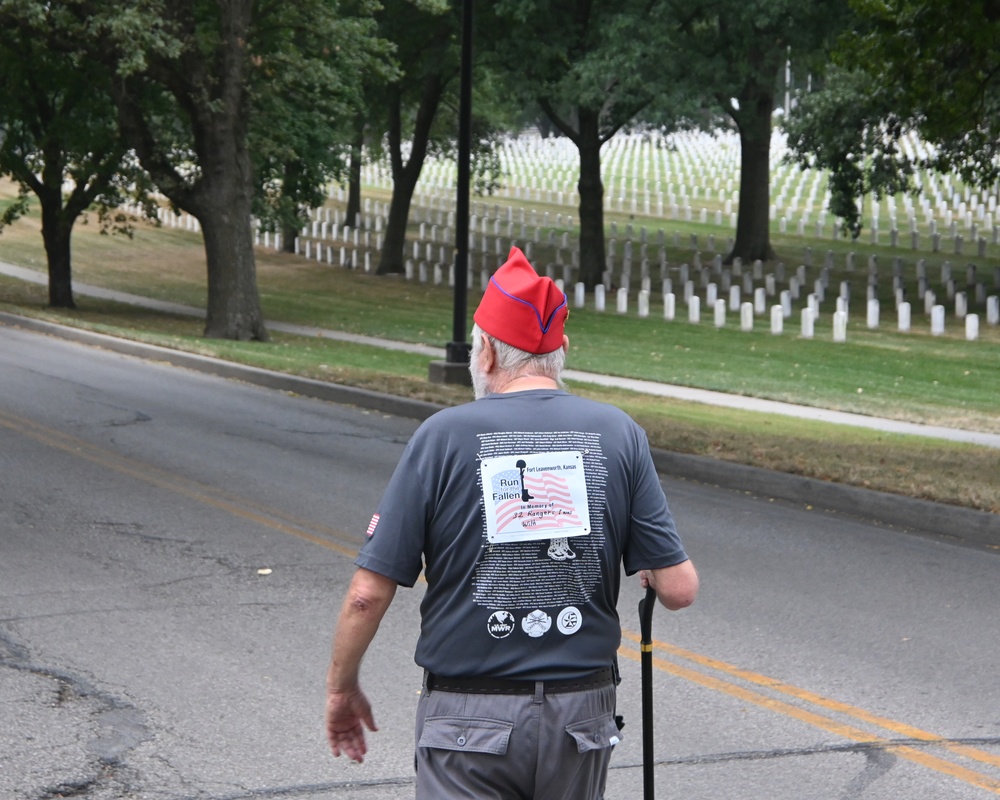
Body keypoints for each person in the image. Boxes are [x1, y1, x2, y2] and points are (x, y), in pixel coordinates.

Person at [325, 246, 699, 799]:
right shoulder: (618, 433)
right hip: (582, 717)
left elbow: (366, 595)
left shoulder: (442, 436)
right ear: (560, 350)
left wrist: (341, 688)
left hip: (467, 719)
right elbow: (679, 588)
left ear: (488, 357)